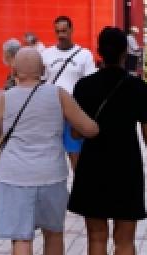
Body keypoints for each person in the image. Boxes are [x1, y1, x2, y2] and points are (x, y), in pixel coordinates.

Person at [0, 48, 99, 255]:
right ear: (43, 71)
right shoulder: (58, 95)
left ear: (13, 71)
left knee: (21, 238)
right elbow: (90, 128)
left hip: (14, 176)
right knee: (53, 233)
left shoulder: (4, 100)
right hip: (51, 175)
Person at [69, 26, 147, 255]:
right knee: (125, 237)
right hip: (127, 165)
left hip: (93, 165)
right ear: (125, 53)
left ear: (99, 52)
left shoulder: (84, 87)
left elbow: (75, 130)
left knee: (96, 237)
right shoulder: (138, 87)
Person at [42, 16, 96, 168]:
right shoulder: (46, 54)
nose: (61, 35)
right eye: (58, 31)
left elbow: (90, 85)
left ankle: (80, 190)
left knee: (76, 160)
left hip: (74, 115)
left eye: (64, 31)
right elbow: (40, 82)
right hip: (52, 114)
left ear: (72, 30)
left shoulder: (84, 55)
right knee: (50, 161)